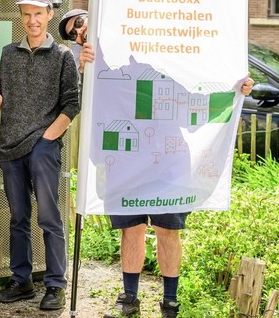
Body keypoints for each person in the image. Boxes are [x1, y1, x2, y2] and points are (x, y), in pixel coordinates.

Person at [76, 43, 254, 318]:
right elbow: (85, 97)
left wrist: (236, 89)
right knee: (131, 231)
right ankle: (129, 299)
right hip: (126, 167)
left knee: (167, 232)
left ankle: (170, 302)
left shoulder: (167, 74)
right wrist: (83, 67)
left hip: (168, 169)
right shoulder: (110, 75)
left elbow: (196, 109)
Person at [0, 0, 81, 311]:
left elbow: (72, 104)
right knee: (18, 218)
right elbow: (5, 101)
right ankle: (22, 281)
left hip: (43, 149)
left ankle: (56, 285)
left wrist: (47, 139)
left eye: (37, 14)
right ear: (21, 17)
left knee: (49, 218)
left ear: (48, 15)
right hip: (10, 147)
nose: (31, 20)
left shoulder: (63, 56)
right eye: (26, 15)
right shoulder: (10, 53)